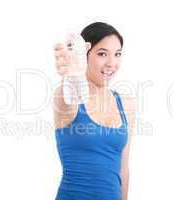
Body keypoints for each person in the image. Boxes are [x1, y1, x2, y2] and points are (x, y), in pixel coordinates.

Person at [53, 22, 135, 200]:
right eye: (102, 54)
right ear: (85, 54)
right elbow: (70, 95)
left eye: (117, 54)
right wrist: (72, 70)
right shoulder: (66, 95)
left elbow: (123, 168)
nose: (112, 63)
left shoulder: (126, 104)